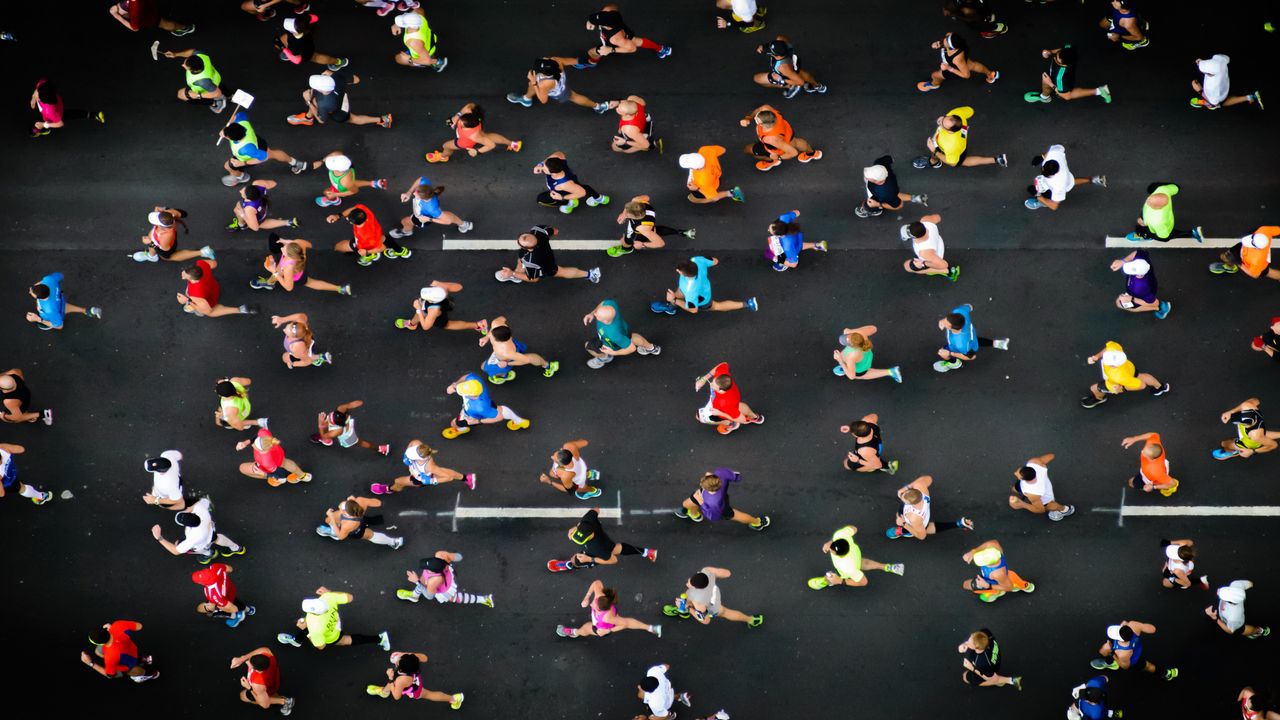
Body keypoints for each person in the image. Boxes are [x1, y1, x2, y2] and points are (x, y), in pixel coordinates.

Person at [276, 588, 391, 651]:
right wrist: (330, 593)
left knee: (346, 641)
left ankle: (380, 639)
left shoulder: (314, 626)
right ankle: (297, 640)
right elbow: (350, 597)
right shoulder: (327, 598)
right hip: (335, 622)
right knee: (306, 626)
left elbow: (321, 646)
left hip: (331, 636)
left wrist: (306, 630)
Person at [548, 507, 657, 571]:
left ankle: (571, 564)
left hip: (597, 551)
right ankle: (647, 552)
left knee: (578, 559)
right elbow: (596, 509)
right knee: (616, 548)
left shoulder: (597, 549)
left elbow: (613, 560)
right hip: (605, 542)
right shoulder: (588, 520)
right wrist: (576, 527)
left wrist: (590, 559)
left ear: (589, 536)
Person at [220, 110, 310, 186]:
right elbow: (239, 115)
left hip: (249, 156)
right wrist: (225, 129)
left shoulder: (246, 149)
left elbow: (263, 157)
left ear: (231, 139)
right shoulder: (242, 122)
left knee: (228, 166)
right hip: (258, 142)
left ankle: (241, 177)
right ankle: (295, 163)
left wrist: (243, 163)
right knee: (273, 153)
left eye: (226, 136)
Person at [151, 496, 247, 564]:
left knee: (180, 544)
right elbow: (203, 502)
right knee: (217, 538)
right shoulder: (200, 509)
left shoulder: (193, 537)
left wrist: (159, 537)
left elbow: (176, 551)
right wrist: (190, 508)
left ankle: (209, 554)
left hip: (201, 542)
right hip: (211, 531)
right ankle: (236, 548)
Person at [571, 5, 672, 69]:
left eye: (596, 23)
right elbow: (613, 7)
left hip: (612, 45)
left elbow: (632, 49)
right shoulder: (609, 10)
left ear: (605, 25)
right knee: (637, 41)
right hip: (626, 33)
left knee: (591, 52)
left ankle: (591, 63)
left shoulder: (615, 39)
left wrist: (611, 50)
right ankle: (661, 49)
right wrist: (591, 21)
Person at [807, 524, 903, 589]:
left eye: (831, 550)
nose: (829, 549)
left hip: (848, 569)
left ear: (840, 555)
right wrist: (831, 541)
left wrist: (840, 580)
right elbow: (854, 528)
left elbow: (863, 582)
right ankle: (887, 567)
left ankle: (827, 581)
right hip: (855, 555)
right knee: (862, 562)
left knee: (834, 577)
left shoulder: (848, 568)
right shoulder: (841, 535)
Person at [662, 567, 764, 628]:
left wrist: (689, 608)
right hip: (713, 593)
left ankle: (750, 620)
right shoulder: (706, 571)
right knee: (688, 597)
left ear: (697, 588)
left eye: (689, 583)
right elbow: (727, 573)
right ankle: (682, 608)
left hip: (712, 606)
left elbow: (705, 621)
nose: (687, 583)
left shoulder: (698, 603)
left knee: (725, 612)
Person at [652, 256, 758, 315]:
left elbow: (693, 310)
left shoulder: (690, 290)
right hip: (701, 288)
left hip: (702, 300)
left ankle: (748, 304)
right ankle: (671, 306)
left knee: (717, 306)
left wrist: (674, 300)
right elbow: (715, 261)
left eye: (678, 271)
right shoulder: (696, 260)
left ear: (681, 273)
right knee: (678, 293)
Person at [558, 580, 662, 638]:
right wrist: (586, 597)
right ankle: (651, 628)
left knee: (585, 628)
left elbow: (624, 625)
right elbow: (596, 583)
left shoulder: (607, 618)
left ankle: (574, 632)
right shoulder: (600, 597)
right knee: (626, 621)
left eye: (594, 604)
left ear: (600, 610)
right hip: (608, 616)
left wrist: (607, 630)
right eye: (594, 600)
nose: (592, 603)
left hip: (601, 627)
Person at [674, 467, 771, 530]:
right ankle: (694, 515)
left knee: (736, 515)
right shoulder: (721, 473)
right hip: (702, 496)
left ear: (707, 488)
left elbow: (713, 516)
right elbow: (737, 477)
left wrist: (701, 502)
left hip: (719, 508)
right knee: (686, 504)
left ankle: (757, 523)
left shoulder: (713, 502)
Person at [497, 225, 601, 283]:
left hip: (544, 267)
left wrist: (512, 273)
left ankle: (591, 274)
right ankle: (591, 274)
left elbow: (533, 279)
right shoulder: (538, 231)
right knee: (520, 261)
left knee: (563, 272)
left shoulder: (530, 260)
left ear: (525, 248)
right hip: (547, 257)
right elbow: (555, 231)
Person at [1081, 341, 1170, 408]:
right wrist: (1096, 357)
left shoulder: (1119, 376)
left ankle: (1099, 399)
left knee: (1094, 388)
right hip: (1130, 368)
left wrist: (1125, 387)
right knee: (1140, 375)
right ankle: (1160, 387)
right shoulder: (1114, 349)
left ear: (1113, 366)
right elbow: (1106, 350)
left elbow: (1142, 385)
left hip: (1114, 382)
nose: (1105, 356)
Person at [913, 106, 1007, 169]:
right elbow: (970, 110)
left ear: (950, 131)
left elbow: (952, 163)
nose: (940, 120)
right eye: (944, 117)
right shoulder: (957, 114)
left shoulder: (951, 145)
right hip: (962, 145)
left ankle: (934, 162)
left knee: (962, 162)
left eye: (942, 124)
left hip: (951, 150)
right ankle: (997, 159)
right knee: (962, 159)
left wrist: (934, 151)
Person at [441, 372, 530, 439]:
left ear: (472, 395)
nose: (458, 390)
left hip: (472, 416)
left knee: (454, 423)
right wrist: (455, 385)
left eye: (461, 391)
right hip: (486, 404)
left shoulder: (481, 408)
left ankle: (461, 429)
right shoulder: (474, 381)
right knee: (500, 409)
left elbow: (498, 417)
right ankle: (519, 421)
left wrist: (477, 421)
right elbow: (467, 376)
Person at [251, 236, 350, 295]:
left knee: (310, 283)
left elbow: (289, 287)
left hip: (298, 276)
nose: (283, 246)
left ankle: (340, 289)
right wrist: (290, 242)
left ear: (288, 255)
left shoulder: (288, 268)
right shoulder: (298, 243)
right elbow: (310, 245)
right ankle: (270, 283)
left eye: (284, 247)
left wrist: (274, 271)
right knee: (278, 271)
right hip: (299, 266)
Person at [288, 71, 391, 128]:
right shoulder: (336, 77)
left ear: (322, 90)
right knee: (314, 99)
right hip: (341, 97)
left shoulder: (325, 104)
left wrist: (308, 101)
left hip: (339, 112)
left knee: (353, 119)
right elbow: (356, 80)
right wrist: (332, 73)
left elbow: (321, 120)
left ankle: (383, 120)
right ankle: (308, 117)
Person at [507, 57, 610, 113]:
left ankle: (597, 106)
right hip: (561, 82)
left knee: (573, 96)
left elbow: (543, 100)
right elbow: (574, 61)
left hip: (559, 92)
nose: (545, 58)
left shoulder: (544, 84)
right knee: (531, 84)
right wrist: (588, 60)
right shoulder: (556, 61)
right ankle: (526, 99)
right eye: (544, 59)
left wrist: (534, 82)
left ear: (544, 73)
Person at [886, 475, 974, 540]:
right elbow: (929, 478)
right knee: (925, 526)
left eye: (903, 497)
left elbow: (922, 536)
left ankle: (904, 531)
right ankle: (958, 524)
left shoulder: (914, 519)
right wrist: (907, 487)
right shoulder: (920, 487)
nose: (901, 495)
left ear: (910, 503)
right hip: (924, 514)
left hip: (917, 521)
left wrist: (903, 524)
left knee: (922, 529)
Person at [365, 651, 464, 708]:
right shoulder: (413, 660)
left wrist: (391, 678)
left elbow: (396, 696)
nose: (398, 659)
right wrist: (404, 653)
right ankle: (384, 692)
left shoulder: (401, 680)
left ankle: (454, 699)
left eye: (399, 660)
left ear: (400, 668)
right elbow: (425, 658)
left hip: (414, 690)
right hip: (413, 679)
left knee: (430, 695)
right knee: (394, 681)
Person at [372, 439, 475, 495]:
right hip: (416, 470)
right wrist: (406, 457)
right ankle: (467, 478)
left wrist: (430, 481)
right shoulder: (416, 443)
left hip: (421, 477)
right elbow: (412, 442)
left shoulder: (430, 467)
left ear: (421, 458)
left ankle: (388, 489)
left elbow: (449, 478)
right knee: (443, 470)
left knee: (398, 481)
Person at [427, 103, 521, 162]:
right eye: (461, 119)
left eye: (461, 123)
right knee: (486, 136)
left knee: (446, 146)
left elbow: (491, 145)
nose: (458, 122)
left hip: (465, 142)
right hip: (478, 131)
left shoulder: (474, 136)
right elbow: (469, 106)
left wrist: (477, 151)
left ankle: (442, 157)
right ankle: (514, 144)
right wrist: (456, 117)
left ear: (467, 127)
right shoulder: (472, 113)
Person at [395, 551, 493, 607]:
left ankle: (483, 599)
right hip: (446, 576)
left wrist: (416, 581)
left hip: (443, 589)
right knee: (423, 581)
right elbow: (459, 557)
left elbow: (429, 596)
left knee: (453, 598)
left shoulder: (433, 581)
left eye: (427, 568)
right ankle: (414, 596)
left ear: (433, 571)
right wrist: (449, 556)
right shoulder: (441, 555)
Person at [739, 104, 822, 170]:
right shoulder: (768, 111)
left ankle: (772, 161)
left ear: (762, 125)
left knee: (747, 149)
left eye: (757, 119)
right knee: (796, 142)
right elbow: (760, 109)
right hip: (788, 134)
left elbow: (793, 152)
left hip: (776, 148)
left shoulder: (771, 139)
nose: (755, 118)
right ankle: (813, 153)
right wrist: (748, 118)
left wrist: (778, 157)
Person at [583, 299, 661, 369]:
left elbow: (632, 348)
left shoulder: (613, 334)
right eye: (597, 312)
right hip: (624, 330)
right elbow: (603, 303)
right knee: (631, 337)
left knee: (588, 346)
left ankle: (604, 358)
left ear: (606, 321)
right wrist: (591, 314)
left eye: (597, 315)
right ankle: (651, 348)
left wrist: (612, 352)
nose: (595, 314)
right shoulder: (611, 304)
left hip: (611, 343)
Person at [1025, 145, 1106, 211]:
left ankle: (1042, 203)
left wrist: (1038, 195)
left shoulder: (1058, 186)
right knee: (1071, 182)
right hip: (1067, 178)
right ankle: (1094, 180)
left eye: (1045, 174)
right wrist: (1042, 157)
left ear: (1053, 174)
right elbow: (1059, 147)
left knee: (1046, 195)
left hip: (1059, 185)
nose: (1042, 173)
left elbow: (1054, 206)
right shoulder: (1054, 155)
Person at [479, 316, 560, 382]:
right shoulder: (496, 324)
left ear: (499, 341)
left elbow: (526, 360)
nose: (490, 334)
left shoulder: (507, 352)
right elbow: (503, 318)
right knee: (484, 366)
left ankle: (548, 366)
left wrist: (507, 364)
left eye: (491, 336)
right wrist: (486, 337)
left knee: (484, 367)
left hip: (505, 359)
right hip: (512, 347)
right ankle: (547, 365)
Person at [1089, 621, 1178, 680]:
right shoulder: (1133, 625)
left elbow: (1125, 666)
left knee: (1148, 666)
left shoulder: (1122, 653)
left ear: (1121, 639)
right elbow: (1152, 629)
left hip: (1134, 660)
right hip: (1136, 647)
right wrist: (1133, 625)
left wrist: (1112, 654)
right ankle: (1109, 662)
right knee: (1106, 649)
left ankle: (1167, 674)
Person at [607, 196, 694, 256]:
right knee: (654, 231)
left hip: (639, 233)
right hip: (649, 223)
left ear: (635, 217)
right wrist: (623, 214)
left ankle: (626, 249)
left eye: (627, 214)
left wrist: (642, 244)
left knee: (625, 241)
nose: (626, 213)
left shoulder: (642, 229)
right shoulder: (639, 202)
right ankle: (681, 232)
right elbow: (647, 197)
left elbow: (660, 243)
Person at [933, 304, 1009, 372]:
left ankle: (955, 364)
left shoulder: (961, 344)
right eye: (945, 319)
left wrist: (949, 353)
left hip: (959, 348)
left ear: (954, 328)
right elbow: (970, 306)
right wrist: (942, 321)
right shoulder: (960, 311)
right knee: (975, 341)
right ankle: (998, 344)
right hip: (972, 339)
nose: (942, 322)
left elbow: (971, 357)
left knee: (943, 353)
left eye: (945, 324)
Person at [1024, 46, 1111, 104]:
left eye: (1057, 59)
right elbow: (1062, 50)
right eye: (1057, 55)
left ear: (1064, 64)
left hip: (1060, 83)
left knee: (1065, 93)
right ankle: (1101, 90)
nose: (1054, 57)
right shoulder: (1070, 50)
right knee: (1057, 87)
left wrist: (1050, 83)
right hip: (1068, 78)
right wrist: (1050, 52)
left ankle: (1045, 98)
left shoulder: (1060, 77)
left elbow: (1067, 97)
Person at [328, 203, 410, 266]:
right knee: (384, 238)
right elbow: (353, 209)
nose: (347, 218)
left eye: (348, 219)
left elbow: (382, 247)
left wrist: (367, 252)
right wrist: (338, 216)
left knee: (338, 247)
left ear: (351, 222)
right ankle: (401, 251)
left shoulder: (365, 235)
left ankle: (370, 256)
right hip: (377, 233)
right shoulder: (363, 210)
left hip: (365, 243)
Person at [694, 362, 763, 434]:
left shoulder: (725, 404)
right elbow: (723, 364)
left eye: (713, 386)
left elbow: (743, 420)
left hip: (721, 408)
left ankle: (731, 423)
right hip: (733, 400)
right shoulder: (722, 376)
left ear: (721, 390)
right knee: (737, 407)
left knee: (700, 417)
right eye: (713, 381)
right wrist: (704, 379)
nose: (711, 384)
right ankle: (754, 417)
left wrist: (720, 413)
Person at [391, 176, 472, 237]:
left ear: (423, 199)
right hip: (429, 212)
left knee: (405, 221)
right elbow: (420, 179)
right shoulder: (425, 187)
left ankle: (406, 231)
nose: (414, 193)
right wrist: (408, 192)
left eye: (416, 193)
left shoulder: (431, 209)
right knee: (445, 214)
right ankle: (464, 225)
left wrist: (429, 219)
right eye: (415, 191)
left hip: (421, 218)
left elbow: (447, 221)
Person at [917, 32, 998, 92]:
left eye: (945, 41)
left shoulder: (957, 59)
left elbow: (966, 75)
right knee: (973, 65)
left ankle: (934, 85)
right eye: (946, 38)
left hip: (953, 69)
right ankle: (990, 74)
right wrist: (939, 43)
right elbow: (948, 35)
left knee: (935, 75)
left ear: (952, 47)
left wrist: (949, 68)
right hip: (963, 59)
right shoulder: (953, 38)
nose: (945, 39)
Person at [533, 152, 610, 215]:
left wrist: (562, 197)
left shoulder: (564, 184)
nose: (542, 168)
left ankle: (571, 203)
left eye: (544, 169)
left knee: (540, 199)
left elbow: (582, 193)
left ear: (554, 173)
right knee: (584, 187)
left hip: (564, 192)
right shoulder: (559, 159)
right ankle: (600, 199)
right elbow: (558, 153)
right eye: (544, 165)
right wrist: (540, 164)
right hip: (573, 183)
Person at [1124, 183, 1204, 243]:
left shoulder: (1156, 221)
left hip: (1164, 226)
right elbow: (1176, 188)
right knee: (1141, 222)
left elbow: (1163, 235)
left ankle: (1146, 235)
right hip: (1161, 218)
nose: (1147, 200)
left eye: (1148, 201)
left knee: (1165, 237)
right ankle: (1192, 233)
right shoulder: (1164, 190)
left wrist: (1145, 223)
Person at [81, 621, 158, 682]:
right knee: (99, 652)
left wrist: (91, 663)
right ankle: (143, 659)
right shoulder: (118, 624)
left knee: (131, 671)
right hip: (132, 650)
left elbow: (110, 675)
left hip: (126, 665)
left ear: (100, 643)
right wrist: (113, 628)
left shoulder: (110, 658)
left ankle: (150, 674)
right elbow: (139, 626)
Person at [395, 283, 487, 333]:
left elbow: (426, 327)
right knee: (422, 313)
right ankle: (412, 324)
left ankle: (478, 325)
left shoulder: (433, 311)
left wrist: (418, 308)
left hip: (437, 316)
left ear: (431, 300)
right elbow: (459, 286)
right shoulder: (439, 288)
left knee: (448, 325)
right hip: (442, 305)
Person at [961, 540, 1035, 602]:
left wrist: (988, 586)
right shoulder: (994, 546)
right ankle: (1025, 586)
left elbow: (1009, 588)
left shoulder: (997, 574)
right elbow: (988, 544)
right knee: (1014, 579)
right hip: (1007, 576)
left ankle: (997, 592)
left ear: (989, 563)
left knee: (966, 585)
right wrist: (973, 551)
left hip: (994, 582)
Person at [315, 496, 403, 548]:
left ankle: (393, 542)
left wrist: (333, 520)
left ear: (345, 513)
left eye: (341, 508)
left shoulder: (347, 525)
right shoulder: (360, 501)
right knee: (328, 519)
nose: (339, 507)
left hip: (356, 529)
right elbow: (378, 503)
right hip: (359, 518)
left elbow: (341, 537)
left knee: (370, 535)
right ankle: (334, 527)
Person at [1008, 453, 1075, 520]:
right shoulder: (1034, 462)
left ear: (1022, 479)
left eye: (1017, 473)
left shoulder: (1033, 494)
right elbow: (1051, 455)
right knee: (1016, 488)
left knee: (1050, 506)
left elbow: (1040, 510)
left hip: (1045, 498)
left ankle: (1065, 510)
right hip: (1034, 488)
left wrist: (1022, 504)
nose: (1015, 473)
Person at [753, 37, 826, 98]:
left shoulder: (783, 67)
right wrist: (764, 46)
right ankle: (817, 86)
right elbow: (778, 41)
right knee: (804, 75)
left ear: (777, 55)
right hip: (795, 68)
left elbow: (800, 82)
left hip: (787, 74)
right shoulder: (782, 40)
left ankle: (792, 86)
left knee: (757, 79)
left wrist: (782, 80)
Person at [177, 260, 255, 318]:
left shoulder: (194, 294)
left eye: (185, 275)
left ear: (192, 279)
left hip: (209, 300)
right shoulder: (201, 263)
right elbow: (214, 263)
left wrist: (187, 301)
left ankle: (240, 310)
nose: (182, 274)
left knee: (205, 313)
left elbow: (208, 311)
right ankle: (242, 309)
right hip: (214, 287)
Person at [133, 207, 213, 263]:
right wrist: (164, 209)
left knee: (169, 257)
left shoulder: (165, 237)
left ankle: (203, 252)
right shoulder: (170, 215)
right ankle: (151, 256)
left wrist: (150, 243)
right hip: (167, 240)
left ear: (161, 226)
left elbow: (165, 253)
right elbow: (184, 213)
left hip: (167, 248)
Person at [28, 79, 103, 137]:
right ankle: (44, 127)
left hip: (56, 112)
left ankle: (94, 115)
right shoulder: (44, 85)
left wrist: (44, 125)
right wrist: (33, 99)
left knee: (69, 115)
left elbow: (60, 123)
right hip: (51, 109)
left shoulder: (50, 111)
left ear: (42, 100)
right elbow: (37, 90)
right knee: (47, 119)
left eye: (37, 96)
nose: (36, 93)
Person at [856, 157, 927, 218]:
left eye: (869, 177)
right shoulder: (879, 163)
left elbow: (899, 205)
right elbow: (890, 159)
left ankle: (875, 211)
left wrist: (878, 204)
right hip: (890, 190)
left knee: (866, 206)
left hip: (879, 199)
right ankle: (915, 198)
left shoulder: (885, 193)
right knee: (894, 194)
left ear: (877, 181)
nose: (866, 176)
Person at [163, 49, 231, 112]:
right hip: (215, 78)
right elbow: (192, 51)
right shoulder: (200, 55)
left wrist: (198, 95)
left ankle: (216, 103)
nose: (183, 65)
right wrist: (175, 54)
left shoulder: (201, 81)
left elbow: (217, 93)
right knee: (218, 86)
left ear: (193, 70)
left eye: (185, 66)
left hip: (206, 88)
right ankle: (229, 95)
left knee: (181, 94)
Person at [27, 272, 102, 329]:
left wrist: (38, 319)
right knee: (63, 307)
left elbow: (59, 326)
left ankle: (44, 321)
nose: (30, 292)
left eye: (32, 293)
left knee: (55, 319)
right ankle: (90, 311)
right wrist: (37, 286)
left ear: (38, 297)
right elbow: (60, 275)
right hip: (60, 303)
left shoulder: (49, 310)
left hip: (52, 314)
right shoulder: (49, 279)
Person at [230, 648, 294, 714]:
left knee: (242, 696)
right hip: (273, 680)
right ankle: (274, 696)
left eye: (251, 663)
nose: (248, 660)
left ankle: (285, 701)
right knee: (270, 694)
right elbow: (263, 649)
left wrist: (249, 688)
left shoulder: (257, 685)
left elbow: (265, 705)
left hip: (265, 689)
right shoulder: (268, 654)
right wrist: (242, 658)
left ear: (258, 670)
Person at [311, 400, 389, 455]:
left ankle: (380, 448)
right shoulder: (341, 409)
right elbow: (359, 402)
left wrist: (320, 424)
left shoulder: (337, 431)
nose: (329, 416)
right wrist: (354, 404)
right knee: (326, 427)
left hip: (348, 436)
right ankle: (381, 448)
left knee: (359, 442)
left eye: (330, 420)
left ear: (336, 424)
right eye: (332, 415)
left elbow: (325, 436)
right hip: (347, 426)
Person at [1109, 250, 1171, 319]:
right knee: (1120, 303)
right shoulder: (1142, 259)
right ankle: (1161, 307)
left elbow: (1151, 302)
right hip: (1150, 285)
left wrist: (1132, 299)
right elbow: (1136, 253)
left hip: (1140, 295)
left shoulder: (1141, 287)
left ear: (1139, 275)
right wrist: (1123, 261)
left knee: (1121, 304)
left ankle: (1161, 308)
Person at [313, 152, 387, 208]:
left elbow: (354, 191)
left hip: (340, 188)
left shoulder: (345, 183)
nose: (328, 161)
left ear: (339, 170)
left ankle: (334, 201)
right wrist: (321, 161)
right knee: (352, 183)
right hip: (346, 181)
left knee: (326, 192)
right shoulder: (340, 157)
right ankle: (374, 183)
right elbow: (335, 153)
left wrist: (336, 194)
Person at [1214, 398, 1279, 460]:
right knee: (1262, 435)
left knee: (1225, 444)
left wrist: (1252, 451)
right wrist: (1231, 412)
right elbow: (1256, 400)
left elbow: (1274, 445)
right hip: (1255, 432)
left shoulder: (1255, 436)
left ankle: (1234, 452)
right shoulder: (1248, 406)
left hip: (1250, 443)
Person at [192, 563, 254, 627]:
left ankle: (241, 615)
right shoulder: (215, 566)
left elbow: (234, 609)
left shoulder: (212, 595)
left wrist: (221, 607)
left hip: (226, 597)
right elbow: (230, 569)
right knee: (235, 601)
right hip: (230, 588)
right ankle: (249, 610)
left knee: (230, 605)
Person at [275, 15, 347, 70]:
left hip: (303, 52)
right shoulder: (303, 21)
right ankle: (339, 62)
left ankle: (338, 62)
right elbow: (315, 18)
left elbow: (296, 60)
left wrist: (283, 48)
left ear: (294, 31)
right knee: (284, 41)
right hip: (308, 42)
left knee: (316, 57)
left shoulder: (296, 45)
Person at [1191, 55, 1263, 110]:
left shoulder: (1212, 88)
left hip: (1219, 96)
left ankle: (1251, 97)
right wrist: (1202, 63)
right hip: (1225, 85)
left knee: (1218, 104)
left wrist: (1200, 91)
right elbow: (1218, 62)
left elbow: (1214, 104)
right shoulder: (1220, 59)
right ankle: (1251, 97)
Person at [957, 629, 1022, 689]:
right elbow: (975, 639)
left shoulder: (981, 662)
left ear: (977, 648)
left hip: (989, 669)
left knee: (965, 677)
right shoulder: (986, 633)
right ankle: (1008, 680)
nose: (967, 642)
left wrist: (972, 668)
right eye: (969, 639)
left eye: (969, 643)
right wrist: (965, 644)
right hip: (996, 660)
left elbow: (989, 678)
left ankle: (1005, 681)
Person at [833, 326, 902, 382]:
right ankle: (845, 367)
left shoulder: (852, 357)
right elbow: (874, 328)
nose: (845, 336)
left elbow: (852, 376)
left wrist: (840, 361)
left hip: (860, 368)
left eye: (846, 342)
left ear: (853, 346)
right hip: (866, 357)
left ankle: (891, 372)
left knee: (861, 374)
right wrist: (850, 331)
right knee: (845, 358)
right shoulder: (860, 334)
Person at [901, 216, 959, 280]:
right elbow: (938, 217)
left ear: (915, 237)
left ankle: (949, 271)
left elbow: (944, 265)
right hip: (938, 244)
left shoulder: (924, 252)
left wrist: (923, 264)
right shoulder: (926, 220)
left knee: (907, 266)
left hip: (934, 256)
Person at [1211, 227, 1280, 280]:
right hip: (1244, 250)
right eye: (1252, 237)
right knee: (1229, 255)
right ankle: (1230, 266)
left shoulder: (1257, 261)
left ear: (1256, 247)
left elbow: (1254, 275)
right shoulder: (1264, 231)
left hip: (1255, 263)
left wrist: (1239, 263)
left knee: (1268, 272)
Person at [228, 180, 297, 232]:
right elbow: (274, 183)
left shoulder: (249, 209)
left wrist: (243, 215)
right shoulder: (258, 183)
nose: (240, 191)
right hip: (263, 204)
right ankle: (290, 222)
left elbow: (255, 228)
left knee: (258, 223)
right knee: (238, 207)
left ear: (249, 198)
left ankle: (243, 225)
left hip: (259, 214)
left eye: (243, 192)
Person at [109, 0, 194, 36]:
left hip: (149, 16)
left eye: (122, 14)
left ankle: (186, 28)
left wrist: (116, 16)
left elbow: (134, 28)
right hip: (149, 5)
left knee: (164, 24)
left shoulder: (134, 12)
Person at [941, 0, 1007, 38]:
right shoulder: (967, 11)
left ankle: (987, 16)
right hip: (972, 17)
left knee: (982, 6)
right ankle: (988, 31)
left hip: (975, 7)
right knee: (977, 22)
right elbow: (975, 19)